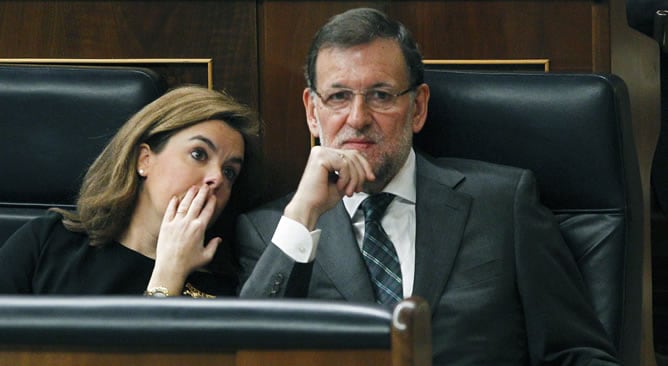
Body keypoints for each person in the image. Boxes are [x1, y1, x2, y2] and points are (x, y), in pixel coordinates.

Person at [236, 7, 620, 365]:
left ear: (417, 107)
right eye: (338, 97)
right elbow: (247, 354)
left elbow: (577, 353)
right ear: (312, 112)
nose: (358, 117)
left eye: (381, 96)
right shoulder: (272, 232)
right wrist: (304, 215)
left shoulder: (503, 203)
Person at [0, 85, 261, 298]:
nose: (216, 177)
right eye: (198, 154)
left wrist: (171, 273)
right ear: (143, 160)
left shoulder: (226, 288)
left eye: (229, 172)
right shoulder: (49, 241)